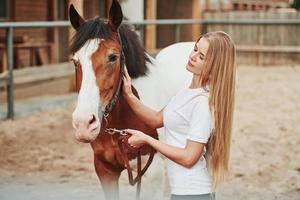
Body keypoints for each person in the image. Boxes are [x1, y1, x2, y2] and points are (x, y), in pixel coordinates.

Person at [122, 31, 236, 200]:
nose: (193, 56)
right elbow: (156, 120)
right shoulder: (187, 87)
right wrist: (129, 95)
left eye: (201, 56)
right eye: (195, 49)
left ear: (214, 67)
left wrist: (147, 140)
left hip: (193, 193)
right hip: (183, 191)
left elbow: (189, 157)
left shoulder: (202, 104)